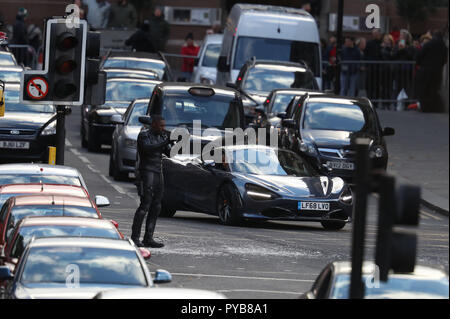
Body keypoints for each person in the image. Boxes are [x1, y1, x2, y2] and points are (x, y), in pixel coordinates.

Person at [132, 115, 172, 248]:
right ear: (154, 124)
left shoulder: (162, 137)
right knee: (145, 205)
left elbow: (170, 153)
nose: (163, 128)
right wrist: (165, 142)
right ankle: (135, 237)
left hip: (158, 171)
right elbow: (148, 149)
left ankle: (148, 237)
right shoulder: (144, 135)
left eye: (164, 126)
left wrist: (173, 142)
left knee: (157, 206)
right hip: (147, 171)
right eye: (161, 126)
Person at [415, 29, 448, 113]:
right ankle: (434, 108)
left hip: (425, 70)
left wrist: (420, 63)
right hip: (437, 72)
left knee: (424, 90)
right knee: (434, 90)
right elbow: (444, 60)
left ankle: (425, 108)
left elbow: (419, 55)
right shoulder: (444, 46)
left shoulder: (429, 44)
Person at [364, 29, 382, 104]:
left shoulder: (381, 43)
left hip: (379, 68)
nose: (375, 35)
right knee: (369, 84)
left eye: (376, 34)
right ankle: (370, 99)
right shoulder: (369, 43)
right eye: (374, 34)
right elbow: (365, 54)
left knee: (377, 85)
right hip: (370, 67)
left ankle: (376, 101)